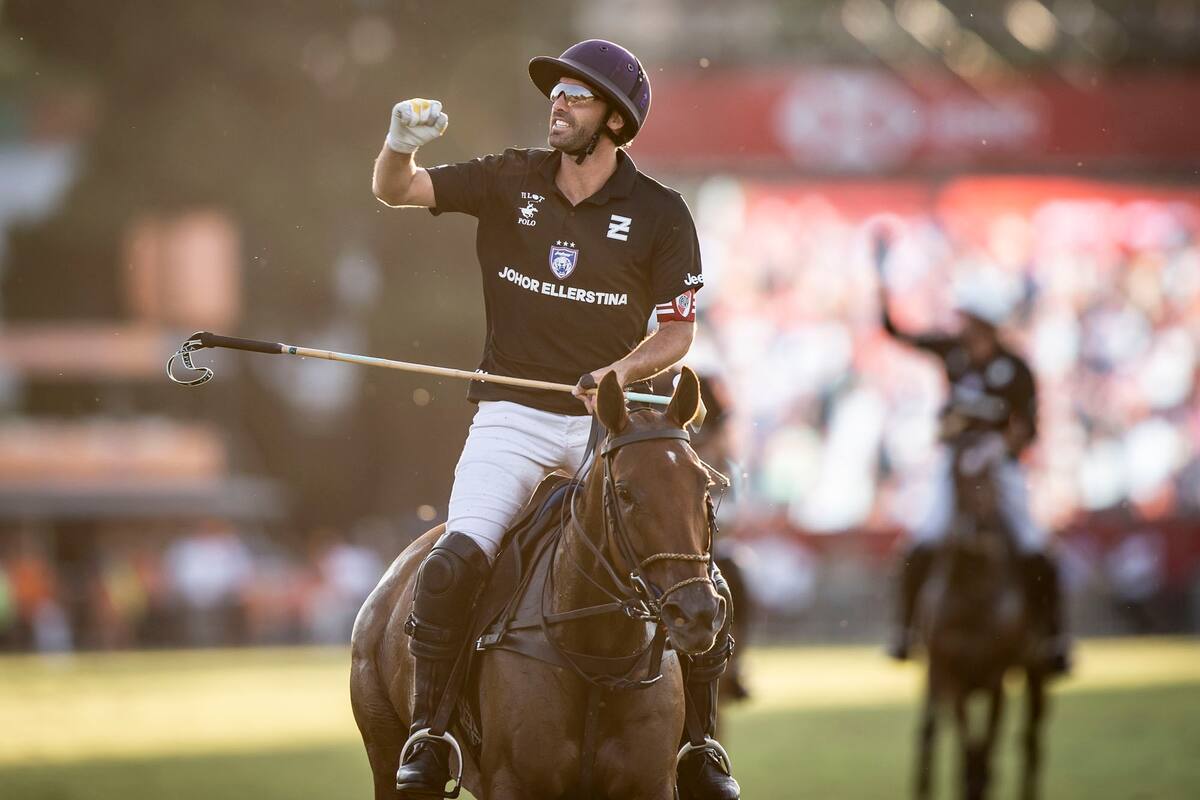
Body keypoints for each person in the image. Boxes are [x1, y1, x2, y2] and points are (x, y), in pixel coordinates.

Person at [372, 39, 739, 799]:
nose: (558, 104)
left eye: (576, 95)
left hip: (609, 429)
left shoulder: (661, 214)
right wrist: (398, 145)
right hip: (511, 420)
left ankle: (699, 747)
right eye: (556, 92)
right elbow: (395, 191)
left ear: (614, 117)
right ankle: (431, 733)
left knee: (695, 576)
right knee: (452, 564)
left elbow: (677, 333)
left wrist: (620, 373)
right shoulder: (509, 177)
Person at [876, 263, 1071, 676]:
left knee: (1035, 545)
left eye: (966, 316)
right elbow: (897, 332)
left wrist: (999, 447)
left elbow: (1029, 428)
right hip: (954, 464)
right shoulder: (953, 352)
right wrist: (882, 282)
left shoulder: (1016, 369)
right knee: (922, 540)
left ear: (983, 321)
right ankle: (906, 631)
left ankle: (1052, 637)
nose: (959, 323)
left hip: (1001, 467)